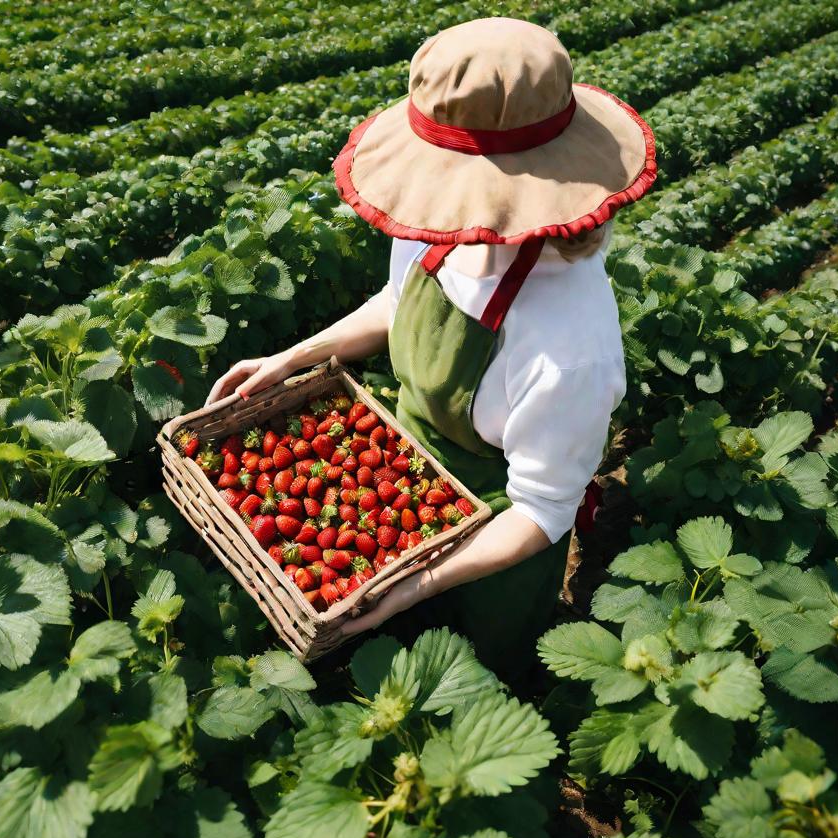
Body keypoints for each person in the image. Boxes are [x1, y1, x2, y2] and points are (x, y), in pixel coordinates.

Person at [206, 17, 657, 673]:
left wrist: (414, 583)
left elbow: (541, 509)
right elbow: (398, 303)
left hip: (494, 534)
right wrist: (294, 357)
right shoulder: (440, 224)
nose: (442, 209)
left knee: (474, 672)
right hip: (398, 472)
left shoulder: (568, 349)